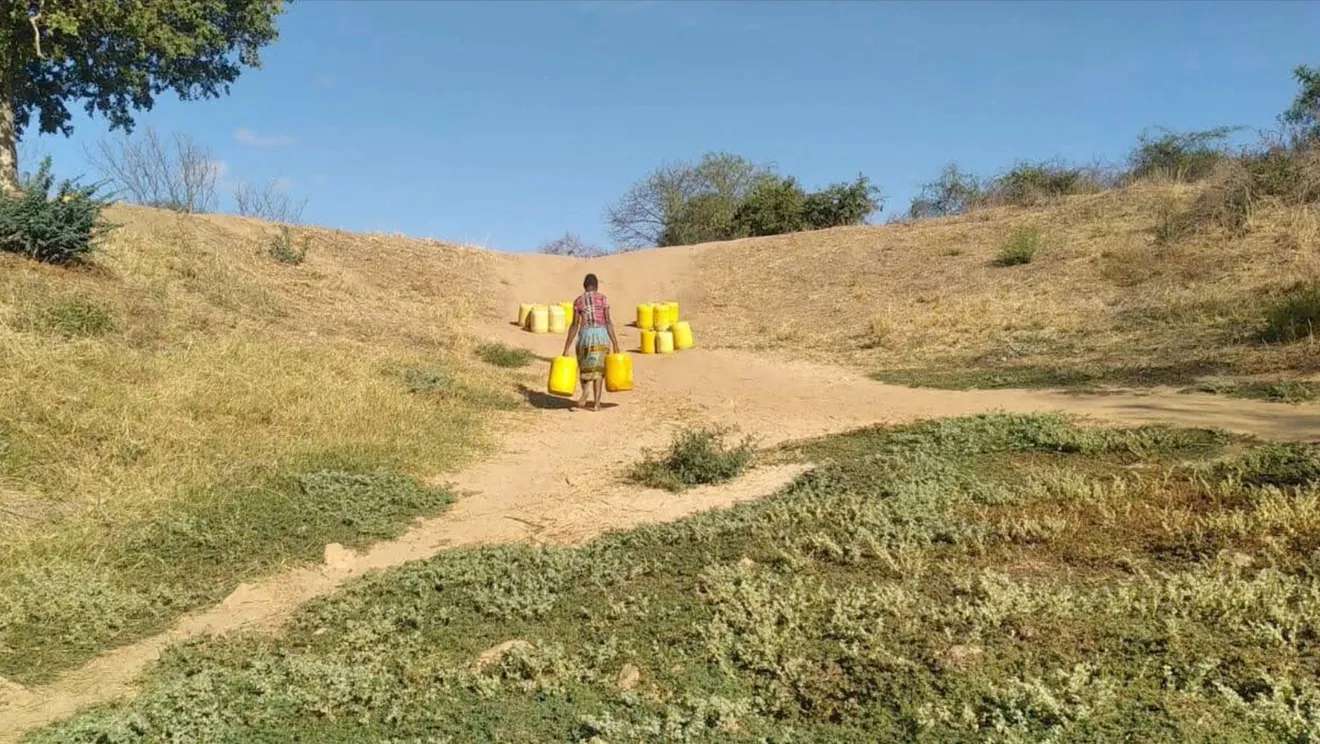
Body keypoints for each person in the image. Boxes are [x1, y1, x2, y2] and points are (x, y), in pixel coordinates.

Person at [562, 273, 620, 411]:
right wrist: (616, 343)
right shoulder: (603, 299)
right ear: (596, 285)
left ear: (584, 286)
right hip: (601, 335)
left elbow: (575, 325)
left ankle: (585, 390)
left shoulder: (578, 301)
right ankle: (596, 404)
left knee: (585, 366)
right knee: (598, 370)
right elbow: (608, 322)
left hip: (585, 335)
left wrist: (566, 348)